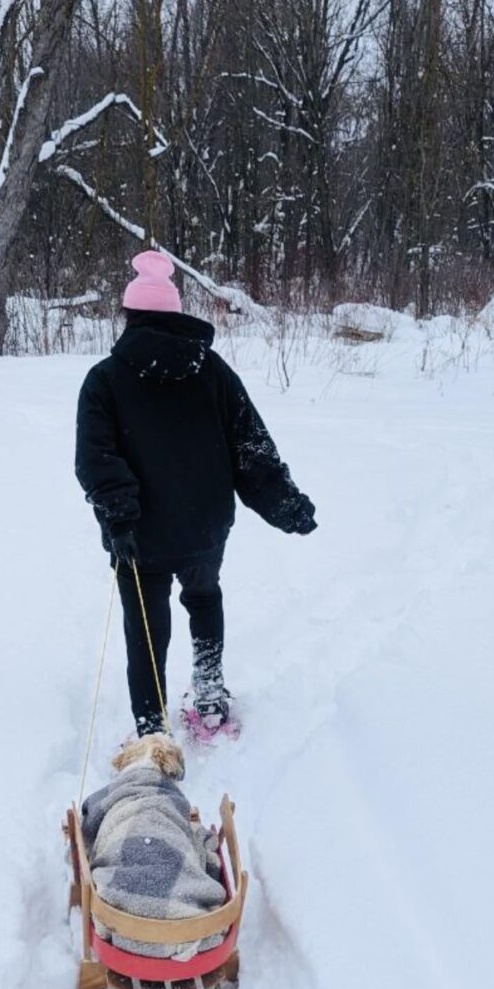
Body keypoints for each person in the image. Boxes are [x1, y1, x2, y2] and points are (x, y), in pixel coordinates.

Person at [75, 250, 316, 736]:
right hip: (204, 525)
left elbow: (96, 459)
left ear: (130, 315)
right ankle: (209, 699)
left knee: (145, 627)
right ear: (175, 314)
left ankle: (150, 728)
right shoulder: (213, 371)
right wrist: (285, 503)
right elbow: (251, 446)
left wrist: (119, 518)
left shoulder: (104, 380)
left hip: (140, 535)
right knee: (204, 597)